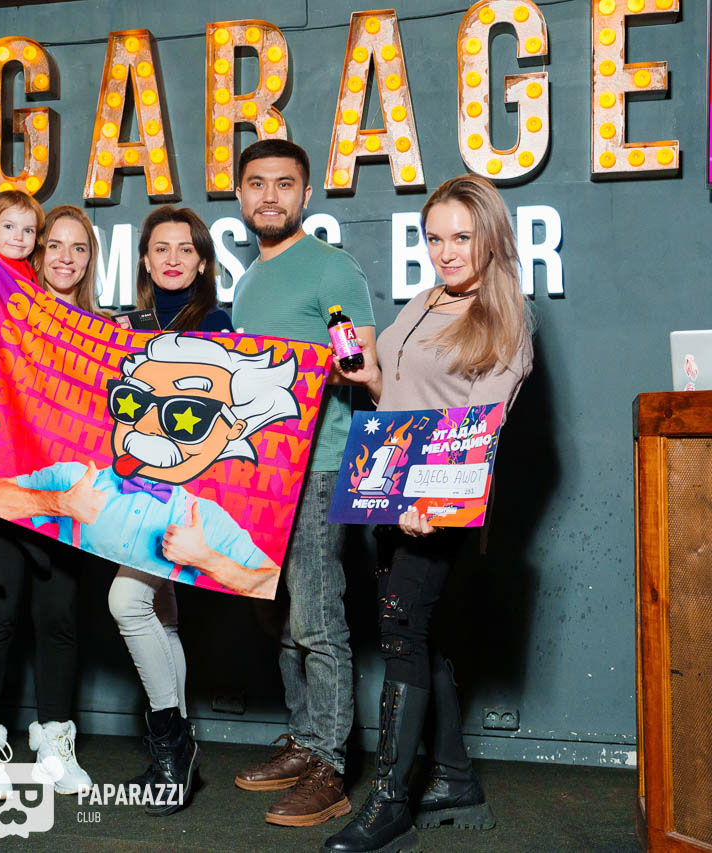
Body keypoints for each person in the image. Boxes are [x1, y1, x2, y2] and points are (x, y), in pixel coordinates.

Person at [323, 174, 533, 852]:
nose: (446, 252)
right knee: (420, 634)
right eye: (435, 238)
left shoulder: (505, 322)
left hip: (440, 502)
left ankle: (389, 803)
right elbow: (402, 395)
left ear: (490, 237)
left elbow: (481, 429)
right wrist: (370, 377)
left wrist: (433, 503)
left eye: (461, 237)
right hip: (390, 493)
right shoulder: (426, 299)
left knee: (400, 634)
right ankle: (454, 777)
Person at [230, 138, 376, 827]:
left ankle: (330, 766)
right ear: (240, 195)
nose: (270, 196)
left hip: (318, 467)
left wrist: (328, 367)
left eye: (284, 184)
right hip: (259, 474)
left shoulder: (332, 268)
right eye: (257, 183)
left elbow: (361, 365)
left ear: (305, 194)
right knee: (279, 617)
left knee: (317, 618)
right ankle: (303, 739)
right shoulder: (248, 281)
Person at [0, 200, 98, 801]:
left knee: (59, 621)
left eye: (78, 247)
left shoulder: (104, 333)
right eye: (53, 244)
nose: (64, 257)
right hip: (4, 497)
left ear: (89, 260)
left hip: (66, 502)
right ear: (36, 252)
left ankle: (55, 746)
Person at [107, 206, 231, 816]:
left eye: (186, 249)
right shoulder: (125, 323)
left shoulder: (217, 321)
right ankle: (179, 754)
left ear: (203, 262)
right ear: (146, 259)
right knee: (160, 610)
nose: (173, 258)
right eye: (162, 248)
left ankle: (172, 745)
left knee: (126, 601)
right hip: (132, 488)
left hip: (185, 489)